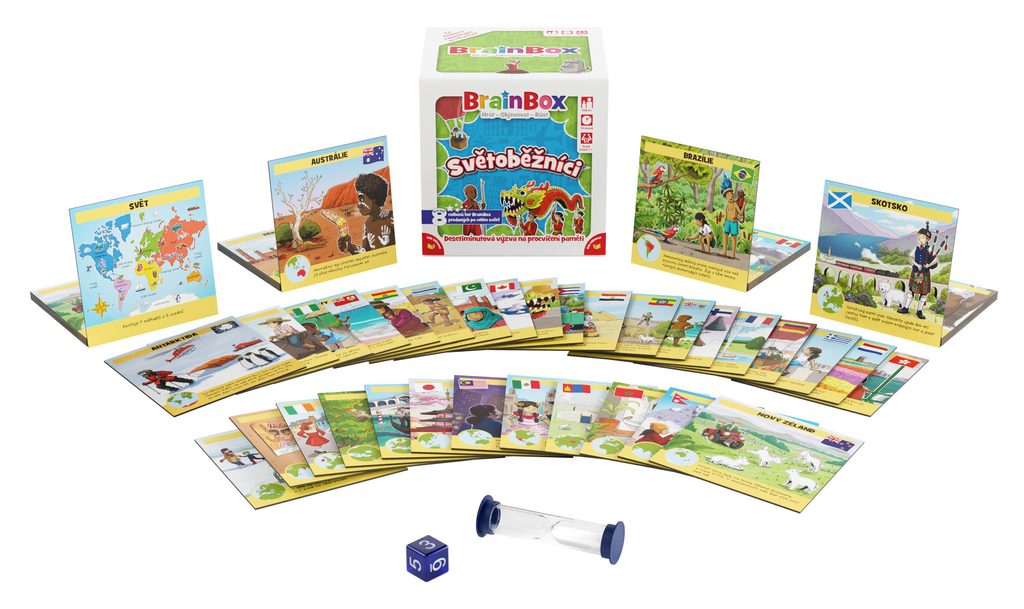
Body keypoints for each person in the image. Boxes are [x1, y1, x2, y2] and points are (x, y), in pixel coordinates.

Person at [899, 224, 938, 319]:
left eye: (923, 237)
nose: (920, 239)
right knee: (911, 291)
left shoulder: (929, 249)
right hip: (916, 271)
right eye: (919, 237)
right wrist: (916, 265)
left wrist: (929, 265)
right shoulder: (916, 248)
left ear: (927, 239)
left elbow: (936, 259)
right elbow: (910, 258)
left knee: (923, 293)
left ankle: (919, 311)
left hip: (924, 273)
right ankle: (905, 308)